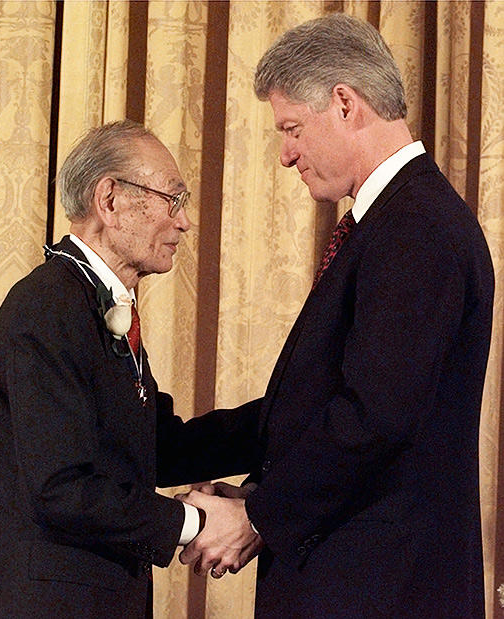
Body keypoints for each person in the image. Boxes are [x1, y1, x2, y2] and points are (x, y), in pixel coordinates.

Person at [178, 13, 494, 618]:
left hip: (380, 591)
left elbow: (374, 417)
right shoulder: (393, 223)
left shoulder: (417, 228)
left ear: (345, 103)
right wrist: (171, 451)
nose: (285, 155)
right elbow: (317, 405)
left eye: (292, 128)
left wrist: (258, 515)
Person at [0, 120, 261, 618]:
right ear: (110, 200)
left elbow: (154, 448)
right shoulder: (46, 307)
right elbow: (60, 488)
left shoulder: (91, 302)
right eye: (172, 198)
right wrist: (195, 522)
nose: (185, 221)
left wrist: (285, 416)